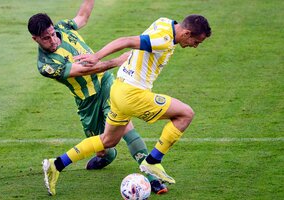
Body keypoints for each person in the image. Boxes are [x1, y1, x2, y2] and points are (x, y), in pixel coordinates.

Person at [40, 12, 211, 195]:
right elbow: (126, 41)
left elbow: (139, 47)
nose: (195, 46)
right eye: (197, 42)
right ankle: (152, 162)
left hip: (118, 89)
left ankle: (55, 164)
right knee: (186, 114)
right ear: (186, 33)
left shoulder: (164, 22)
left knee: (108, 140)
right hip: (133, 95)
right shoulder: (164, 39)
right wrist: (96, 56)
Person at [27, 0, 167, 196]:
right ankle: (106, 156)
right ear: (35, 39)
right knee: (105, 149)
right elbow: (88, 69)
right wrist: (119, 60)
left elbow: (83, 16)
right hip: (87, 103)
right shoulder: (47, 65)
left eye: (52, 34)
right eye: (46, 39)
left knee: (126, 126)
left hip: (107, 84)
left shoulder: (62, 28)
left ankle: (152, 177)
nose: (53, 40)